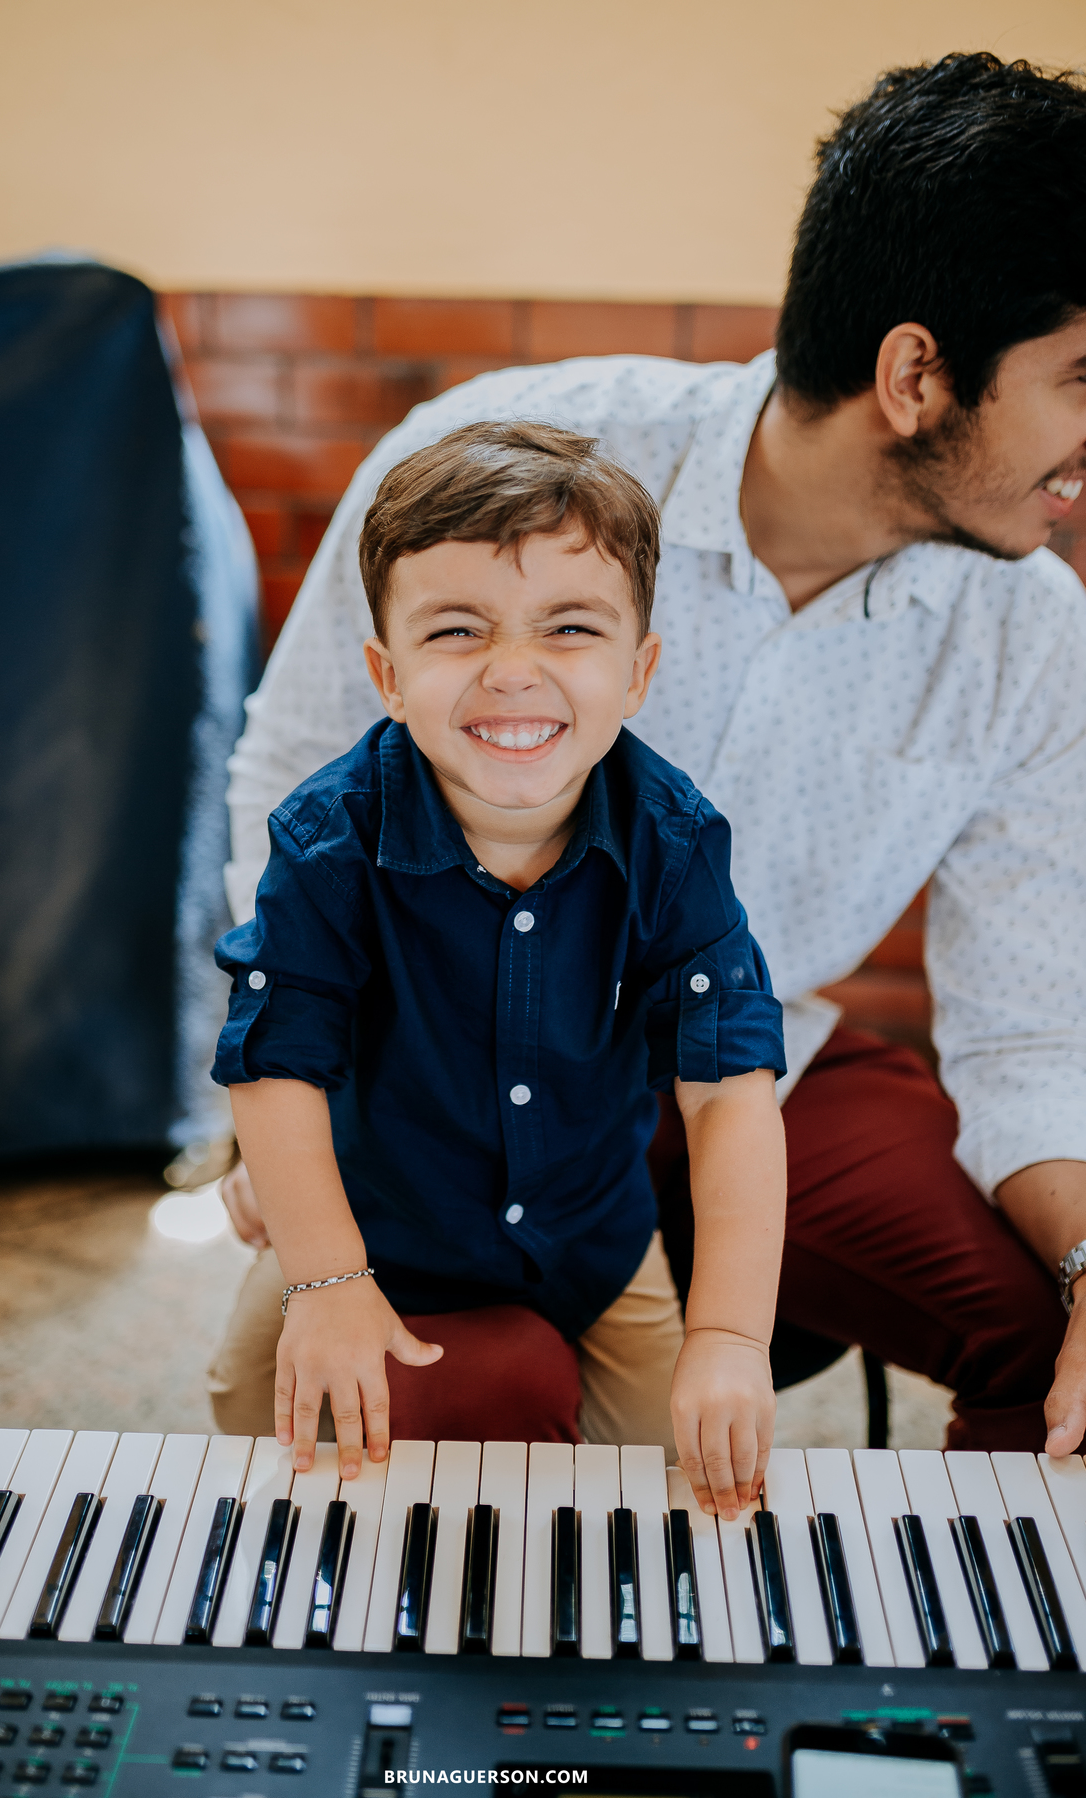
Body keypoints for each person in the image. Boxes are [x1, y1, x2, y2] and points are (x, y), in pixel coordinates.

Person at [213, 52, 1086, 1458]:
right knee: (473, 1388)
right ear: (917, 373)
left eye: (572, 627)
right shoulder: (485, 464)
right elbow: (292, 785)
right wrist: (290, 1106)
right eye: (1080, 380)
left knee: (1046, 1334)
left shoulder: (1037, 641)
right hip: (434, 1057)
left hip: (749, 1054)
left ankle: (962, 1671)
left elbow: (1032, 1028)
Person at [211, 422, 788, 1521]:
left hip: (591, 1235)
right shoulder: (329, 838)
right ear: (387, 675)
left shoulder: (674, 840)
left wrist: (729, 1336)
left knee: (679, 1481)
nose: (512, 671)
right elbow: (276, 1062)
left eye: (570, 628)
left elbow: (728, 1092)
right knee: (255, 1422)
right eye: (456, 630)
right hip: (376, 1217)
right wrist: (327, 1281)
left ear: (639, 672)